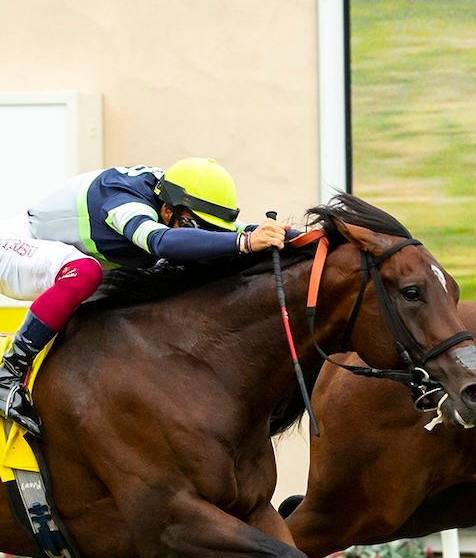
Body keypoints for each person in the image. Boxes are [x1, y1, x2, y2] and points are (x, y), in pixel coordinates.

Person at [0, 158, 288, 437]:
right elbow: (162, 242)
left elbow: (234, 232)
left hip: (71, 256)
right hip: (19, 245)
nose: (201, 235)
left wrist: (296, 238)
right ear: (166, 210)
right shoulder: (123, 201)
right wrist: (244, 242)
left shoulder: (178, 195)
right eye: (193, 226)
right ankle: (8, 374)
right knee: (85, 272)